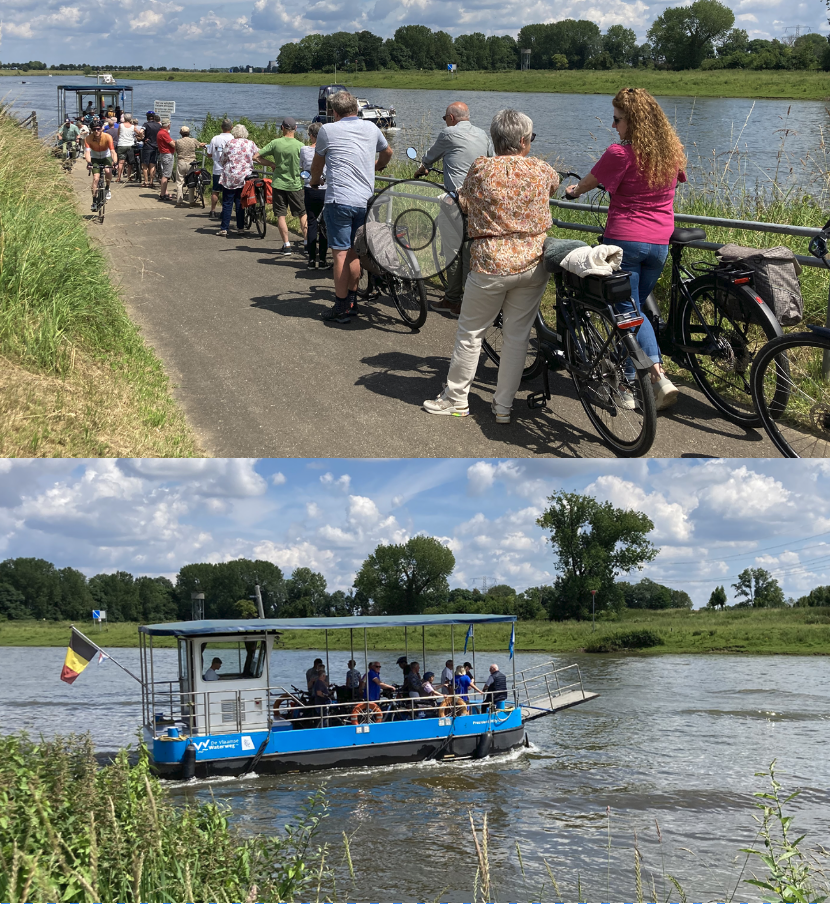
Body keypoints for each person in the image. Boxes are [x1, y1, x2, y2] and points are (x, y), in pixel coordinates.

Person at [423, 109, 559, 425]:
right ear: (525, 140)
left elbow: (462, 202)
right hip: (533, 263)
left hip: (491, 264)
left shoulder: (482, 169)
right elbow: (553, 186)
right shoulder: (541, 169)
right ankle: (503, 407)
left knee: (471, 333)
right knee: (517, 336)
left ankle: (456, 398)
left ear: (495, 140)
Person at [565, 88, 685, 411]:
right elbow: (677, 180)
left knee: (629, 313)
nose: (613, 125)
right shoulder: (671, 153)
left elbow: (589, 181)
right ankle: (627, 383)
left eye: (618, 119)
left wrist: (574, 191)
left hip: (625, 244)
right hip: (659, 245)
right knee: (631, 314)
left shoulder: (620, 154)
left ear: (635, 122)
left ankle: (658, 377)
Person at [309, 90, 393, 324]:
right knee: (356, 252)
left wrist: (314, 182)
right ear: (356, 109)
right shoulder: (371, 128)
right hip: (365, 200)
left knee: (340, 254)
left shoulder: (328, 130)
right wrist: (376, 167)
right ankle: (353, 302)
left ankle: (341, 306)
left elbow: (318, 164)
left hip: (340, 200)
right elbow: (388, 152)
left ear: (334, 112)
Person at [415, 102, 494, 318]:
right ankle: (469, 302)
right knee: (470, 252)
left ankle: (451, 300)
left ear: (450, 117)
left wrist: (421, 170)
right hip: (479, 204)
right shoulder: (483, 135)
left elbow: (429, 159)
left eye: (444, 118)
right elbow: (491, 161)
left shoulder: (448, 134)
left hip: (456, 202)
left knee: (452, 251)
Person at [255, 116, 307, 256]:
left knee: (281, 215)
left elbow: (256, 157)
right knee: (302, 214)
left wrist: (271, 164)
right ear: (296, 128)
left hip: (278, 184)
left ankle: (287, 244)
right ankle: (307, 242)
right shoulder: (300, 146)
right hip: (295, 184)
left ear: (282, 128)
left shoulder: (275, 143)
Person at [217, 123, 259, 237]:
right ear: (245, 133)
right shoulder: (250, 143)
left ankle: (224, 228)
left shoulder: (230, 143)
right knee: (241, 203)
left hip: (230, 176)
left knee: (227, 202)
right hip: (245, 177)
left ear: (234, 133)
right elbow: (258, 155)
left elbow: (223, 159)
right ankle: (240, 228)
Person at [300, 122, 328, 269]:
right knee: (324, 225)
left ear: (311, 135)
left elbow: (302, 167)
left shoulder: (304, 150)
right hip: (326, 190)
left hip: (310, 189)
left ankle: (311, 259)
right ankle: (323, 259)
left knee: (312, 223)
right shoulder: (328, 150)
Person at [206, 118, 234, 219]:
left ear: (221, 127)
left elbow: (209, 154)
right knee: (227, 192)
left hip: (217, 168)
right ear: (231, 127)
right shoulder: (234, 139)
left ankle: (213, 210)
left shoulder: (215, 139)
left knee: (215, 191)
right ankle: (224, 211)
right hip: (230, 170)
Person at [84, 121, 115, 211]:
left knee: (108, 171)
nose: (96, 131)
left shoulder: (107, 137)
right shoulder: (88, 138)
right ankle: (94, 201)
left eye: (98, 129)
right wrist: (89, 162)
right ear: (91, 130)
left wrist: (115, 162)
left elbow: (113, 151)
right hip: (95, 158)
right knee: (96, 178)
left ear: (102, 128)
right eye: (94, 129)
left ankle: (107, 188)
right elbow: (87, 152)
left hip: (106, 156)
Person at [173, 126, 205, 207]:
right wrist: (204, 144)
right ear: (189, 133)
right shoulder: (193, 140)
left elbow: (175, 150)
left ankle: (179, 201)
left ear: (181, 133)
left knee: (180, 182)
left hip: (181, 162)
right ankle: (191, 201)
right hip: (191, 163)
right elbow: (200, 145)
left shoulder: (178, 141)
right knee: (192, 181)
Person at [156, 117, 176, 201]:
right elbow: (172, 144)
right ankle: (162, 194)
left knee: (166, 174)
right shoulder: (164, 133)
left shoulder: (160, 132)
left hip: (164, 154)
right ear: (168, 125)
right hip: (167, 154)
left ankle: (165, 192)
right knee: (166, 175)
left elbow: (170, 141)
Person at [141, 111, 161, 188]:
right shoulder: (158, 125)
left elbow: (141, 131)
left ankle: (146, 181)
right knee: (152, 165)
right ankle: (151, 182)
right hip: (155, 147)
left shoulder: (146, 124)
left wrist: (143, 138)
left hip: (147, 146)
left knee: (145, 165)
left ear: (147, 117)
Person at [115, 113, 137, 183]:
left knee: (121, 162)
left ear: (124, 118)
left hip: (121, 144)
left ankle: (118, 177)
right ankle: (129, 177)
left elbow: (118, 134)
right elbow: (139, 133)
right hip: (130, 145)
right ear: (130, 119)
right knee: (130, 163)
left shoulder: (120, 125)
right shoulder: (133, 126)